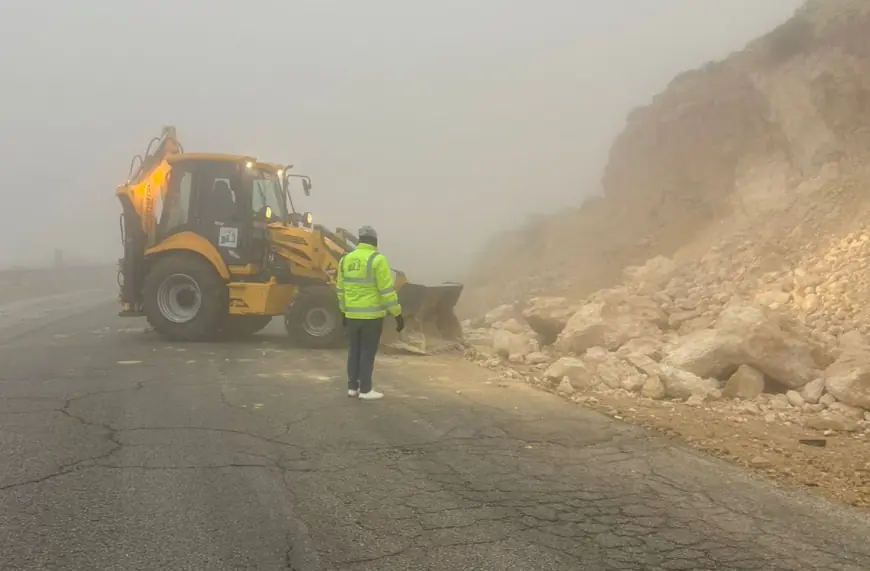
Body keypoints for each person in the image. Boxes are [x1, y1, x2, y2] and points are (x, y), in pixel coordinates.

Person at [336, 225, 404, 400]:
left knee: (354, 351)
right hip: (371, 317)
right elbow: (386, 291)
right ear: (374, 241)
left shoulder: (345, 260)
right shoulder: (377, 260)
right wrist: (397, 314)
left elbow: (340, 290)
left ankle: (352, 388)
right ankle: (365, 390)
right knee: (367, 352)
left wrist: (343, 311)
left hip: (351, 316)